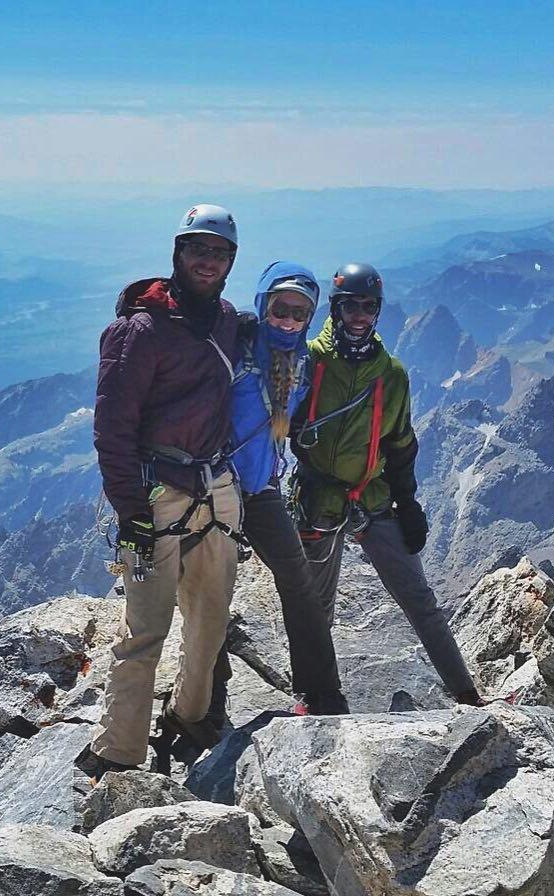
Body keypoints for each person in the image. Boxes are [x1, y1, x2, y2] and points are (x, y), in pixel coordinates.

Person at [81, 204, 244, 780]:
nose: (207, 261)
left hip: (216, 487)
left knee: (211, 616)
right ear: (178, 254)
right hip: (156, 496)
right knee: (146, 627)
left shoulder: (227, 321)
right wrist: (130, 511)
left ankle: (191, 715)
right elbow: (112, 427)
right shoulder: (139, 331)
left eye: (218, 253)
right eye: (198, 250)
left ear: (231, 262)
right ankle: (121, 751)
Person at [290, 262, 485, 706]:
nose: (360, 315)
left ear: (377, 312)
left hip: (370, 496)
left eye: (369, 307)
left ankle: (467, 694)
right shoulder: (311, 362)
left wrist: (409, 505)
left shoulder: (391, 374)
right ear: (336, 310)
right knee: (316, 608)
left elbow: (400, 446)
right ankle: (315, 695)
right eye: (351, 306)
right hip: (319, 499)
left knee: (419, 599)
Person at [209, 262, 349, 721]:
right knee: (212, 594)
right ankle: (206, 703)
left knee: (298, 579)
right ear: (262, 304)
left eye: (299, 314)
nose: (288, 321)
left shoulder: (303, 361)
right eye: (279, 309)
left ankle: (322, 694)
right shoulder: (234, 344)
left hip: (261, 491)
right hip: (215, 489)